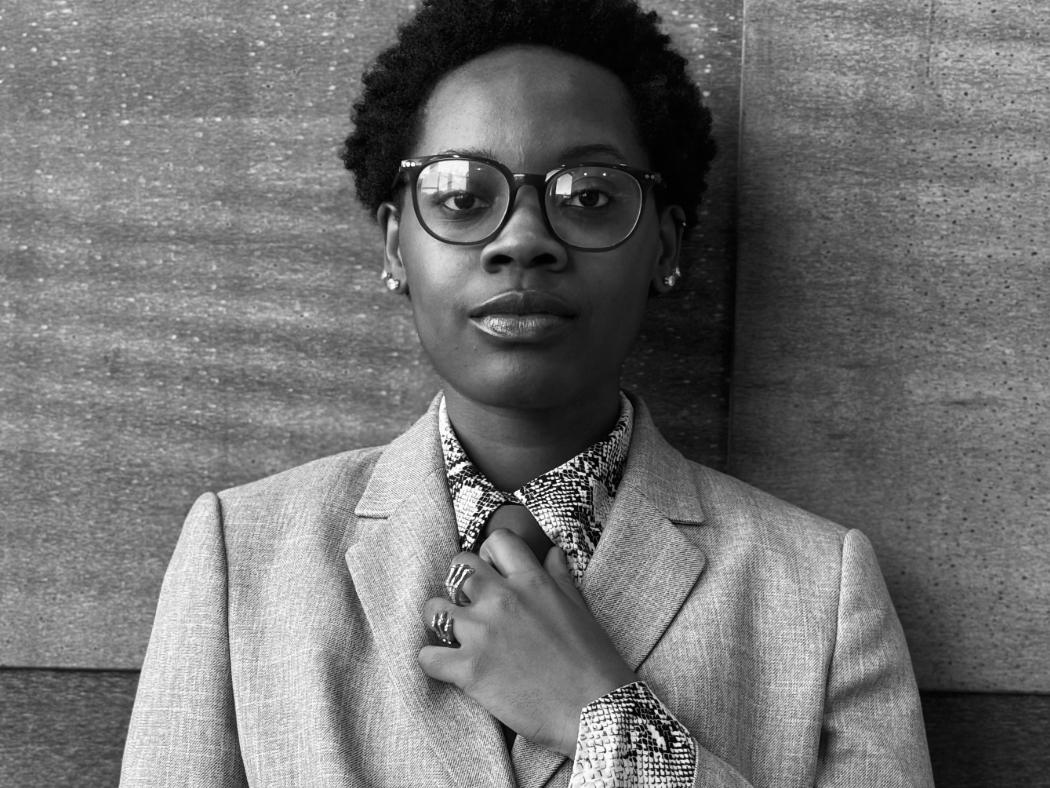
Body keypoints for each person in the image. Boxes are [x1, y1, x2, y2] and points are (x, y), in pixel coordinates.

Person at [120, 0, 934, 785]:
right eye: (463, 197)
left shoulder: (821, 592)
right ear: (397, 243)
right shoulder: (244, 557)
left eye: (588, 197)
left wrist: (606, 723)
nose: (522, 239)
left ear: (665, 245)